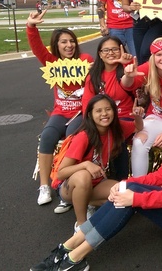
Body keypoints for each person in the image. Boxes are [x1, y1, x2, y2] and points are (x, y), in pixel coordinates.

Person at [30, 99, 162, 271]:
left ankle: (75, 258)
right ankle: (67, 247)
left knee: (130, 200)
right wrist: (126, 184)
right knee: (127, 191)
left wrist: (135, 198)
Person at [26, 9, 95, 210]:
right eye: (63, 42)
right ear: (56, 45)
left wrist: (92, 71)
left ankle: (68, 183)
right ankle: (45, 185)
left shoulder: (86, 59)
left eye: (71, 41)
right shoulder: (52, 63)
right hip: (60, 112)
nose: (69, 45)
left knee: (72, 136)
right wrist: (31, 26)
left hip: (80, 112)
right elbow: (37, 47)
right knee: (47, 136)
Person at [120, 37, 162, 177]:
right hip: (157, 117)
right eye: (159, 54)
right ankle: (138, 185)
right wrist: (127, 76)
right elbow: (126, 85)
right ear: (153, 57)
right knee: (139, 141)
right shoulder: (148, 68)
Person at [55, 94, 124, 232]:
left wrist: (138, 116)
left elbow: (136, 127)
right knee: (83, 176)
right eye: (98, 111)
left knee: (122, 192)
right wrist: (86, 165)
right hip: (70, 186)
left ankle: (88, 202)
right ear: (90, 115)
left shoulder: (114, 130)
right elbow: (61, 173)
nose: (104, 114)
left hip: (97, 183)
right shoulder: (83, 137)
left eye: (108, 109)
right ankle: (81, 224)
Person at [82, 36, 139, 180]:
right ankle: (80, 182)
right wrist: (88, 124)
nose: (111, 53)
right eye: (106, 50)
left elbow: (131, 84)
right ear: (100, 54)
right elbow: (87, 104)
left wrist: (127, 66)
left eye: (114, 49)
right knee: (76, 134)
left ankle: (121, 181)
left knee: (115, 134)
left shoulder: (129, 70)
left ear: (122, 51)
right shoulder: (94, 76)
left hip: (124, 116)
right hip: (99, 118)